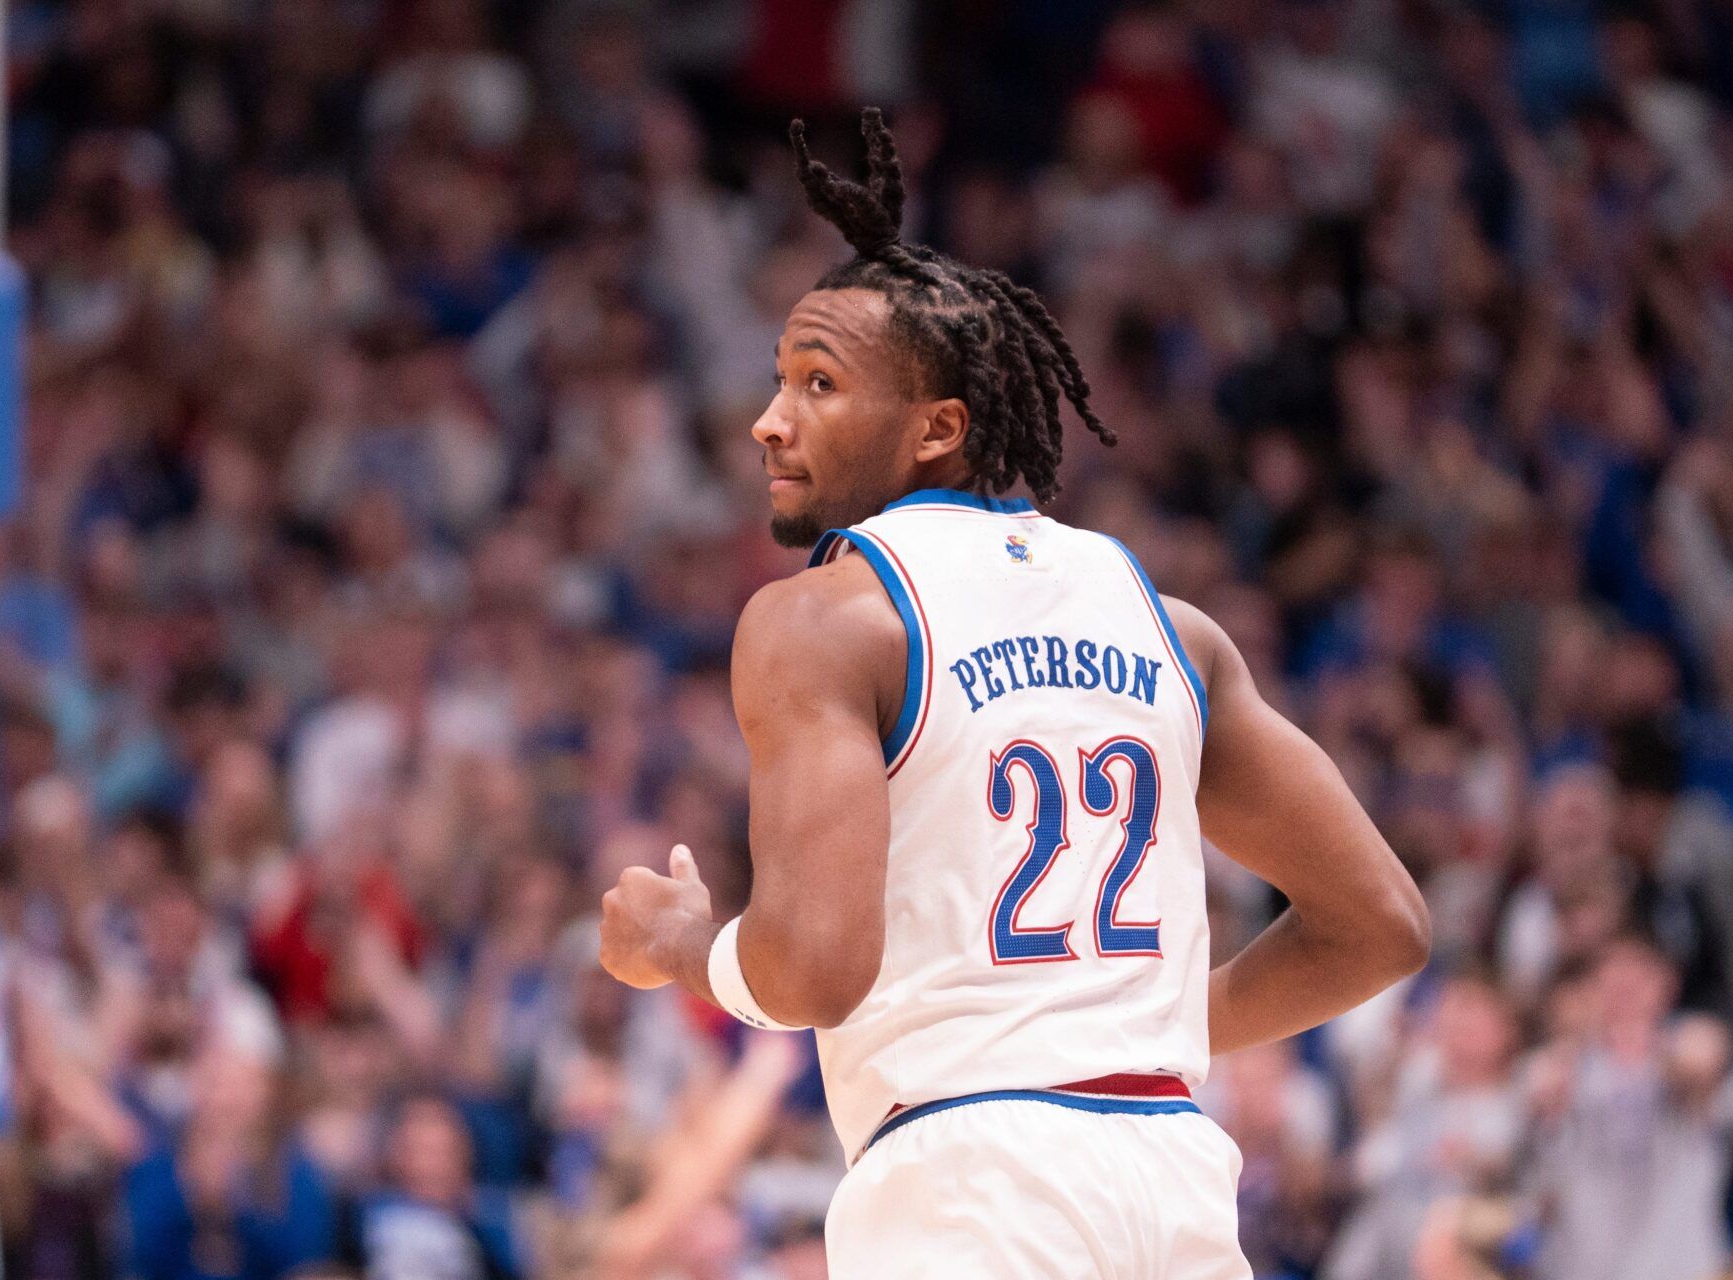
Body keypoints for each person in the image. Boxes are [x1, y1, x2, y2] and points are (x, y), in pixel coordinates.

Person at [596, 109, 1430, 1279]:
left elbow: (814, 967)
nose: (769, 420)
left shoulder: (825, 618)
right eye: (780, 380)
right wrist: (1124, 1024)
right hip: (1172, 1173)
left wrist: (687, 946)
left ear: (938, 427)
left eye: (819, 384)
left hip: (967, 1182)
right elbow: (1381, 922)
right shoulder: (1172, 626)